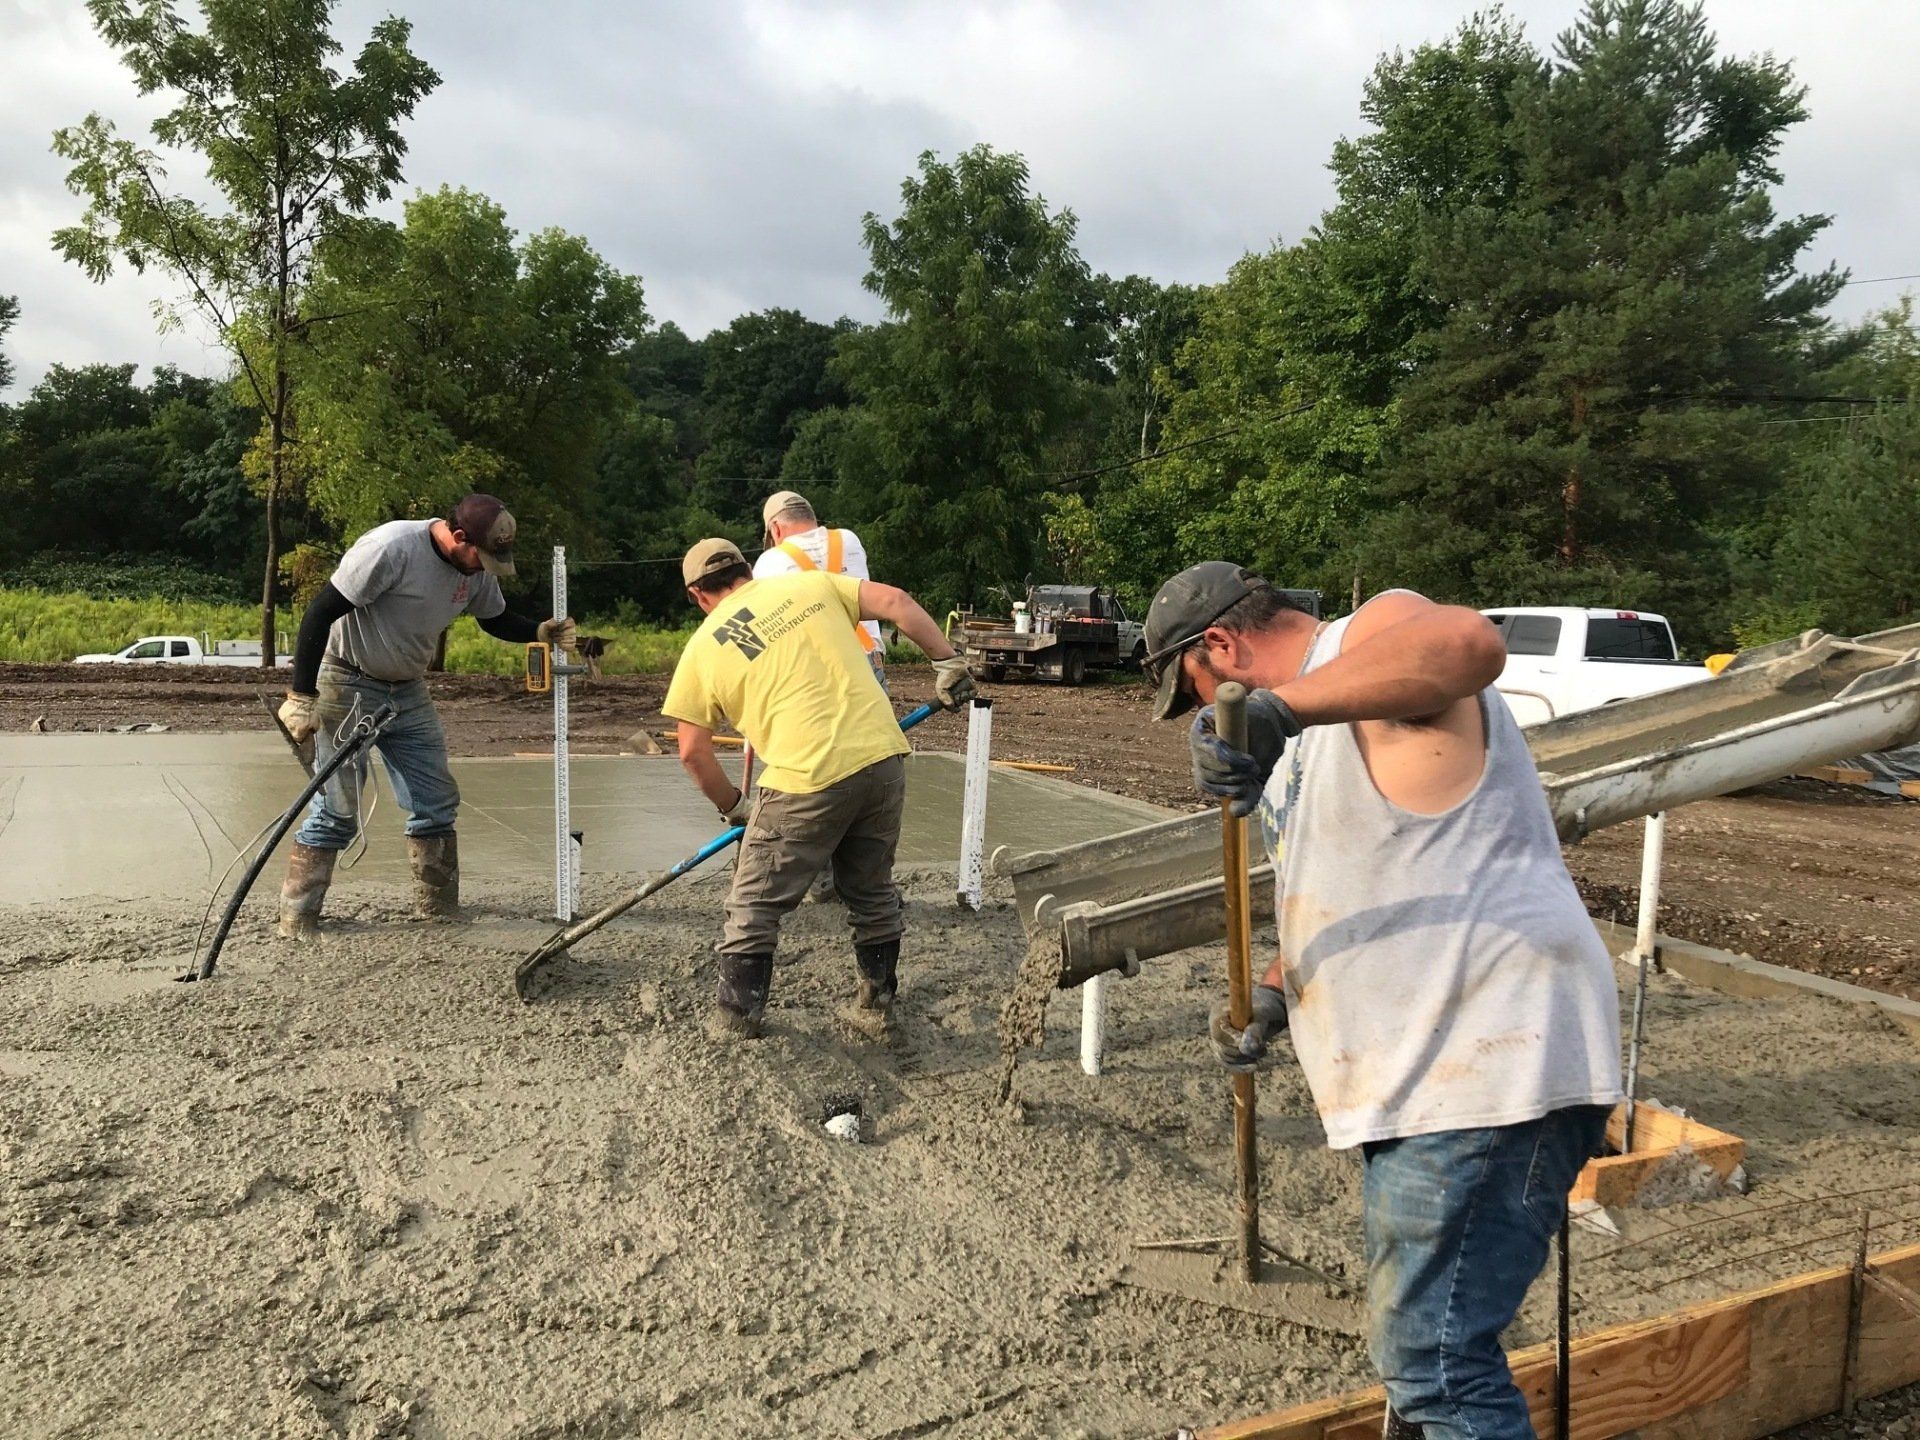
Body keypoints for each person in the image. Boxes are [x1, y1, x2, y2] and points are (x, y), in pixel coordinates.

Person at [1142, 561, 1622, 1440]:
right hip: (1434, 1069)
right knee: (1430, 1350)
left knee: (1434, 1362)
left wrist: (1277, 711)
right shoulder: (1319, 727)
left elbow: (1468, 642)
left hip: (1488, 1054)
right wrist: (1276, 992)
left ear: (1221, 646)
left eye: (1198, 691)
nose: (1208, 718)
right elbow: (1366, 875)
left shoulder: (1365, 639)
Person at [663, 537, 972, 1038]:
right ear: (747, 571)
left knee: (753, 907)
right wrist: (948, 663)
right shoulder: (811, 585)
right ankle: (876, 1004)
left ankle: (737, 1022)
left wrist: (736, 806)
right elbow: (896, 601)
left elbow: (692, 752)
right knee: (871, 892)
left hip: (804, 781)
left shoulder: (702, 648)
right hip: (882, 759)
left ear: (697, 595)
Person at [273, 494, 575, 938]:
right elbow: (320, 612)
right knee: (336, 809)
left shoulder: (475, 568)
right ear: (458, 536)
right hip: (348, 679)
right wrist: (301, 695)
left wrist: (537, 630)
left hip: (408, 690)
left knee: (435, 801)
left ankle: (438, 909)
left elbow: (493, 618)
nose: (484, 568)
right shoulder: (390, 549)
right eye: (481, 557)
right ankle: (298, 918)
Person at [752, 490, 887, 689]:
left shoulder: (770, 561)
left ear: (776, 529)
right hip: (868, 658)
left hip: (816, 669)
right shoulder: (848, 539)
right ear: (811, 518)